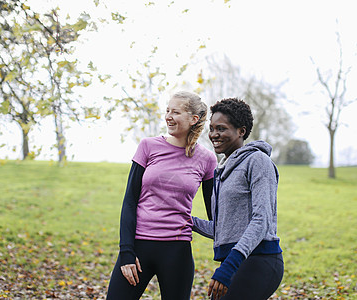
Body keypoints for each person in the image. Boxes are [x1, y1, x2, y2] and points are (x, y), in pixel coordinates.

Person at [106, 91, 217, 300]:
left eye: (175, 112)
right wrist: (126, 251)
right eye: (167, 110)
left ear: (193, 119)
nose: (168, 116)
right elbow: (130, 201)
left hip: (177, 250)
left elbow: (216, 215)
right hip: (139, 247)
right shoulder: (148, 146)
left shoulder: (207, 159)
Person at [192, 98, 284, 300]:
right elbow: (223, 228)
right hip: (238, 261)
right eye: (212, 128)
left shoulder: (258, 161)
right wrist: (189, 221)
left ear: (241, 131)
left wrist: (230, 265)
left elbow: (262, 220)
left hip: (260, 260)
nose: (214, 134)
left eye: (222, 128)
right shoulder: (222, 171)